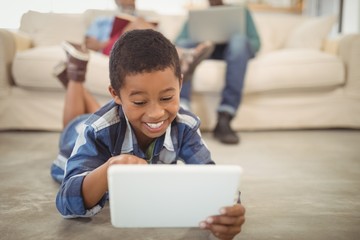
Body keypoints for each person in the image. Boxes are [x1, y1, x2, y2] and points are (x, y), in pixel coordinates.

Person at [51, 29, 245, 240]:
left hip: (116, 118)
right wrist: (109, 169)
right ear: (115, 93)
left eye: (167, 97)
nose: (156, 113)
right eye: (140, 102)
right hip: (77, 136)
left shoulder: (184, 126)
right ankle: (74, 77)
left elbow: (211, 178)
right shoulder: (96, 130)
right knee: (75, 124)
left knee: (113, 117)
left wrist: (228, 210)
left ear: (180, 84)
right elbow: (66, 201)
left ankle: (78, 84)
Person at [176, 0, 261, 144]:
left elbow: (256, 42)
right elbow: (179, 41)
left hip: (234, 51)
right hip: (207, 51)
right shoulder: (198, 14)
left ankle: (225, 116)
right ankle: (182, 111)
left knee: (239, 41)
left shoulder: (241, 11)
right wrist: (203, 41)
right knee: (185, 45)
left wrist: (231, 38)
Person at [77, 0, 214, 80]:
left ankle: (180, 56)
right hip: (113, 49)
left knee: (142, 24)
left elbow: (161, 40)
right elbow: (89, 44)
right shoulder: (102, 20)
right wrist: (121, 33)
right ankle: (182, 55)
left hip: (136, 50)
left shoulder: (144, 19)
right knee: (138, 23)